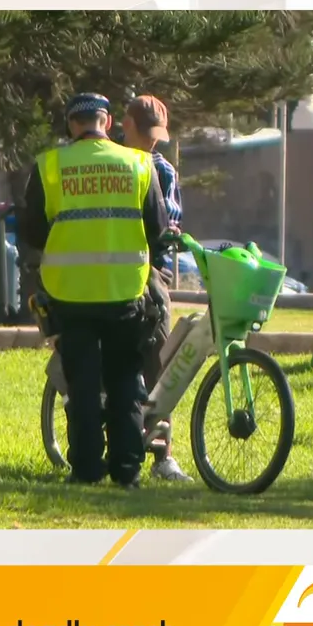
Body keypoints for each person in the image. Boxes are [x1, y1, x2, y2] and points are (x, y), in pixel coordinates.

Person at [20, 93, 175, 488]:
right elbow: (158, 230)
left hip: (70, 294)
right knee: (126, 382)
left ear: (72, 125)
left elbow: (32, 232)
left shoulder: (50, 166)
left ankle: (86, 470)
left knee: (83, 386)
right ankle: (127, 470)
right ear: (106, 122)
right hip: (124, 292)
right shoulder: (139, 165)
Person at [119, 94, 192, 482]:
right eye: (144, 133)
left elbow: (170, 225)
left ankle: (162, 452)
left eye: (156, 136)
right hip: (115, 270)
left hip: (152, 272)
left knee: (159, 355)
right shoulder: (113, 165)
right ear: (124, 124)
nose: (150, 142)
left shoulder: (162, 170)